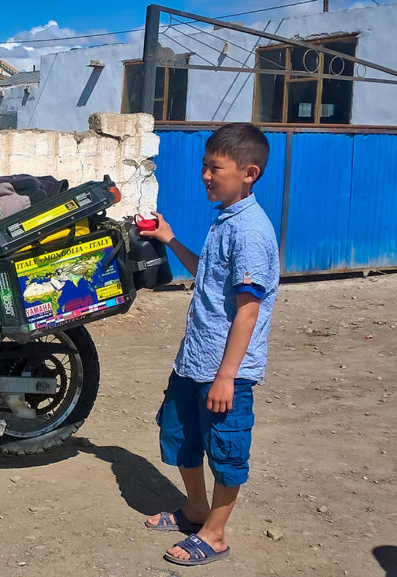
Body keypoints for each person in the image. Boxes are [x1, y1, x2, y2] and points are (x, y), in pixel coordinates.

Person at [139, 123, 279, 566]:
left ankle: (215, 534)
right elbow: (208, 274)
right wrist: (170, 239)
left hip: (225, 372)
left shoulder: (252, 231)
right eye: (204, 166)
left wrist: (226, 377)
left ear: (249, 173)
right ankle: (196, 509)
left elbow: (248, 310)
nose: (205, 176)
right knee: (181, 437)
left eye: (214, 168)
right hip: (193, 360)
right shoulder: (225, 220)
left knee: (226, 450)